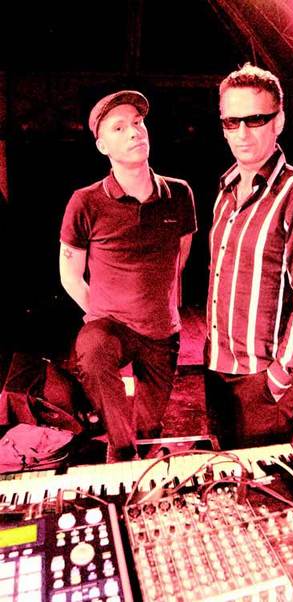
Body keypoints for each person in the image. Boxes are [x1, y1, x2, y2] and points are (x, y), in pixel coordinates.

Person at [59, 90, 196, 461]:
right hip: (113, 327)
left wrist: (159, 303)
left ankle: (142, 457)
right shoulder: (85, 201)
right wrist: (103, 312)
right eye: (119, 128)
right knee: (92, 350)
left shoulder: (179, 194)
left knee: (150, 428)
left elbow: (180, 256)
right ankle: (120, 450)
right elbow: (70, 274)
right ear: (102, 145)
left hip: (161, 330)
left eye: (137, 123)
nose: (134, 132)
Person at [204, 64, 293, 450]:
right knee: (223, 473)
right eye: (232, 122)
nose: (242, 133)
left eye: (255, 120)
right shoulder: (225, 191)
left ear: (279, 121)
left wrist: (279, 379)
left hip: (261, 381)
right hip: (216, 371)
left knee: (264, 483)